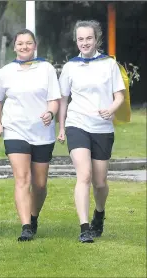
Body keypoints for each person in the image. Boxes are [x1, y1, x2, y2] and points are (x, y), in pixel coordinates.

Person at [0, 29, 61, 241]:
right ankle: (26, 227)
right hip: (15, 130)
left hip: (42, 132)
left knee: (39, 184)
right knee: (22, 179)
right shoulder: (6, 71)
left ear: (35, 45)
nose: (24, 47)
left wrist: (50, 113)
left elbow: (54, 98)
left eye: (28, 43)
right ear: (14, 46)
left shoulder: (46, 69)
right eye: (20, 43)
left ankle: (34, 215)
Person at [57, 20, 125, 243]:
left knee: (100, 183)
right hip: (77, 124)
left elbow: (119, 97)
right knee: (83, 175)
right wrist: (61, 127)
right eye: (80, 39)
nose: (84, 42)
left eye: (88, 38)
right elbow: (63, 99)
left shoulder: (109, 64)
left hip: (102, 128)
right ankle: (84, 227)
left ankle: (99, 213)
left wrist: (111, 109)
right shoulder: (70, 67)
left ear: (96, 39)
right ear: (76, 41)